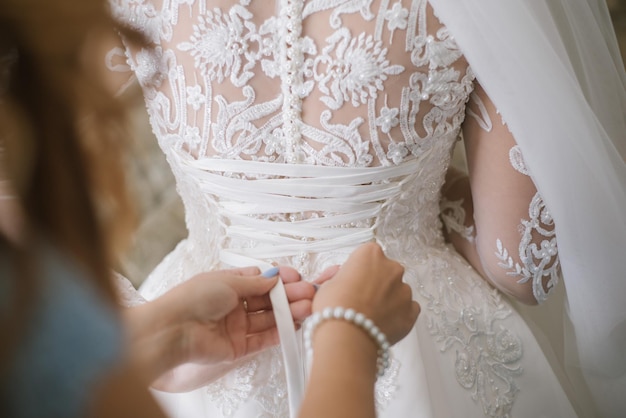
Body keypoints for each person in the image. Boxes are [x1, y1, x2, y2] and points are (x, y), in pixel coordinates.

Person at [106, 0, 626, 416]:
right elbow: (521, 263)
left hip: (196, 332)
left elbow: (22, 177)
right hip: (411, 319)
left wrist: (134, 330)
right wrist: (408, 189)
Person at [0, 1, 420, 417]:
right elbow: (492, 256)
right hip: (408, 320)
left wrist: (152, 333)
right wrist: (350, 334)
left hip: (197, 340)